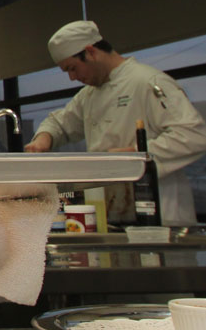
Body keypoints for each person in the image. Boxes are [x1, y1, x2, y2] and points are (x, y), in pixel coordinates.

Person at [25, 20, 206, 225]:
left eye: (73, 68)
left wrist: (136, 156)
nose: (72, 78)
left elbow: (193, 135)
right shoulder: (89, 96)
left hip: (162, 214)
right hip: (113, 213)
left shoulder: (147, 82)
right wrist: (43, 139)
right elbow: (59, 123)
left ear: (91, 52)